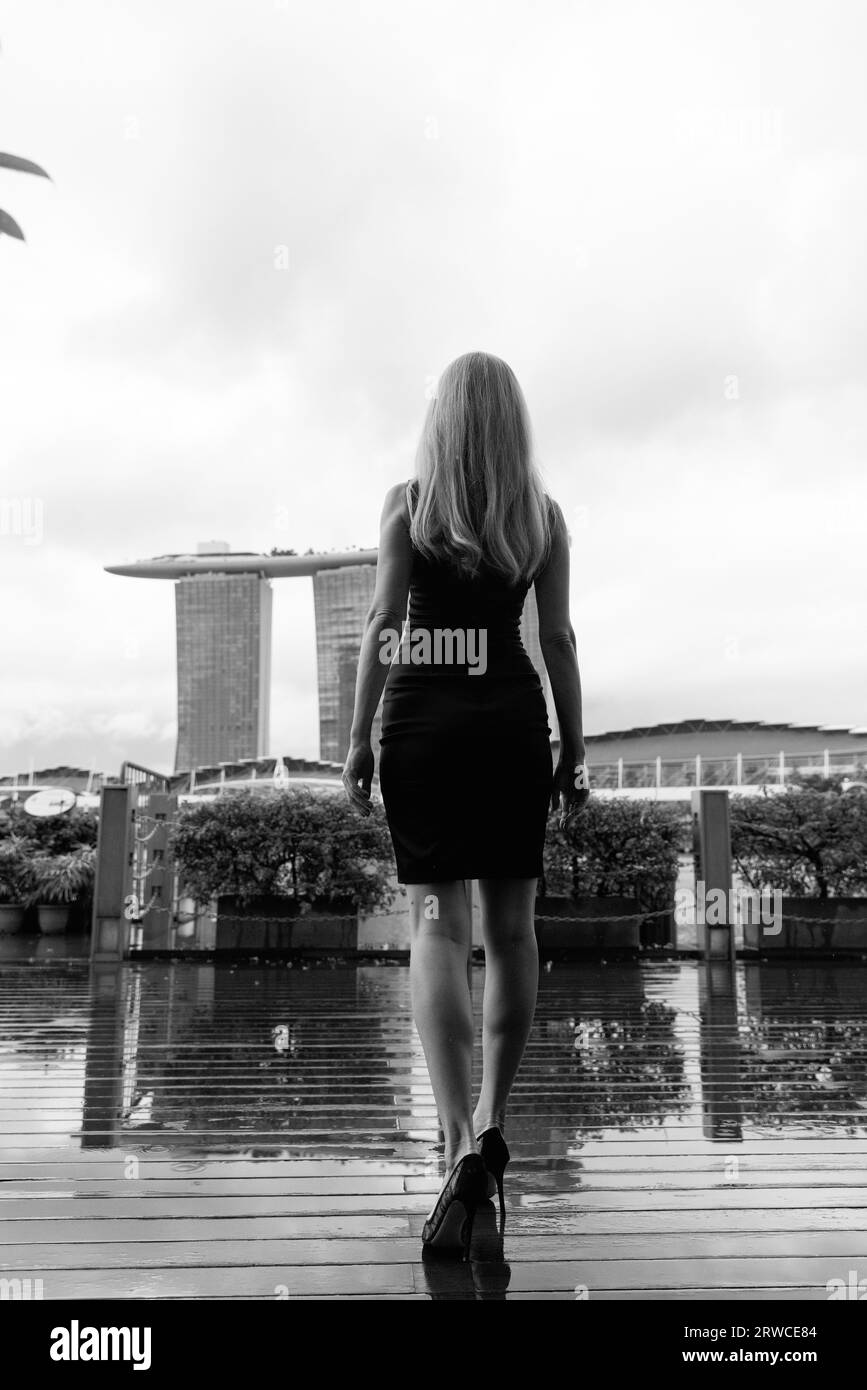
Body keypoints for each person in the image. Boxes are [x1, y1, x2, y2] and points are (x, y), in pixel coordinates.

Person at [342, 351, 588, 1258]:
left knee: (437, 926)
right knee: (513, 931)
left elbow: (380, 622)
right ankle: (489, 1120)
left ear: (442, 419)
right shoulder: (543, 518)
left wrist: (357, 740)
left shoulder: (408, 503)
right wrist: (574, 745)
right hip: (512, 727)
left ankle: (452, 1140)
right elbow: (556, 636)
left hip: (422, 725)